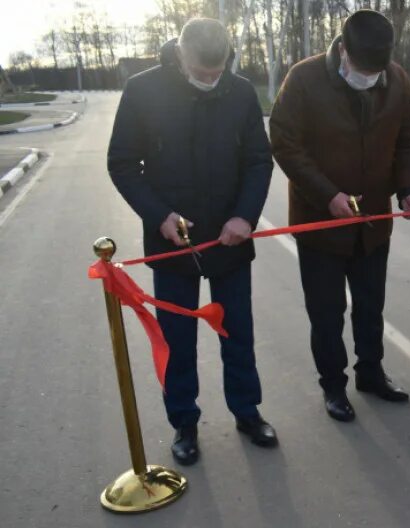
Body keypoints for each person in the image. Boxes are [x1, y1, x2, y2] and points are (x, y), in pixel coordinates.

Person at [107, 18, 276, 465]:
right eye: (202, 73)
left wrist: (245, 216)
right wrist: (160, 216)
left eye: (218, 71)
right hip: (172, 242)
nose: (210, 80)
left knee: (237, 330)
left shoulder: (239, 92)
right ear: (180, 55)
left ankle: (247, 409)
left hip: (230, 239)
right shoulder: (143, 91)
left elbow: (260, 160)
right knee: (177, 337)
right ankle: (184, 421)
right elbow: (122, 163)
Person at [270, 10, 410, 422]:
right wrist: (327, 195)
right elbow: (285, 145)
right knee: (326, 311)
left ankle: (371, 373)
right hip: (320, 223)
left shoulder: (396, 80)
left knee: (371, 305)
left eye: (376, 70)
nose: (369, 77)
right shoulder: (303, 80)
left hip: (373, 222)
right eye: (362, 69)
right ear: (342, 50)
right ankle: (333, 386)